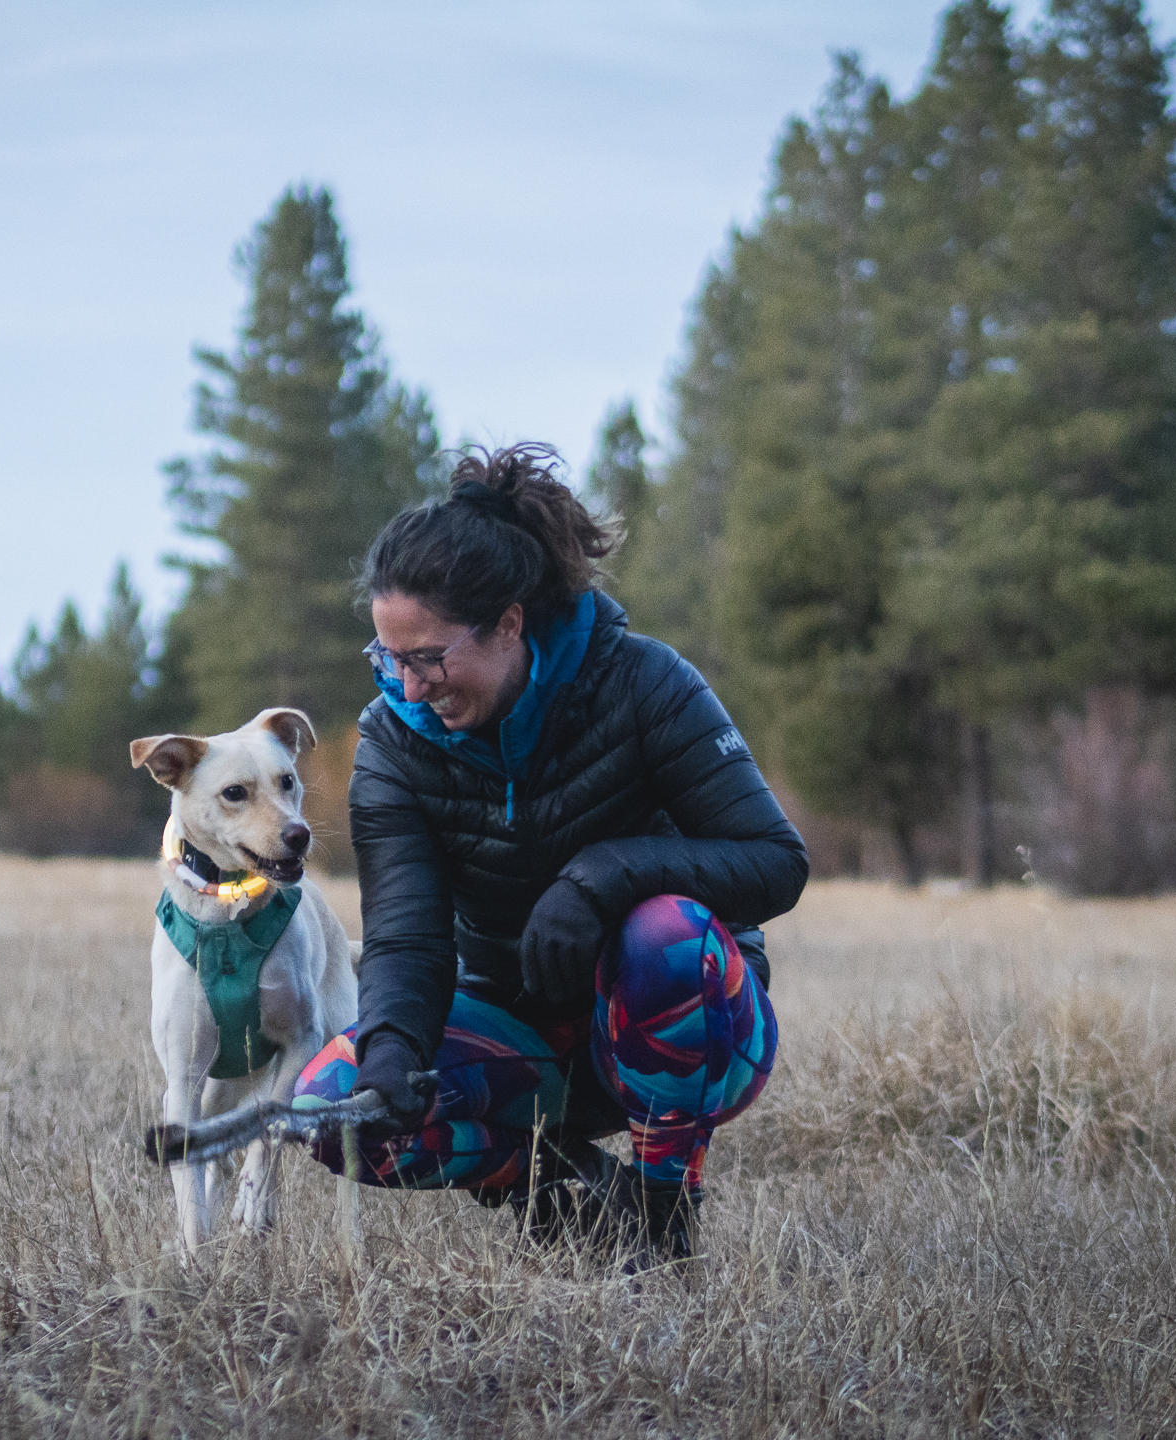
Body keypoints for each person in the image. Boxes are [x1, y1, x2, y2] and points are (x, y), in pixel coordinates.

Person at [292, 442, 809, 1266]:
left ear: (508, 623)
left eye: (428, 657)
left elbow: (776, 861)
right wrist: (391, 1056)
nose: (407, 684)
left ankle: (666, 1207)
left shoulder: (646, 683)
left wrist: (605, 878)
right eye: (388, 657)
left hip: (682, 1029)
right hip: (518, 1034)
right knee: (332, 1115)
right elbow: (408, 936)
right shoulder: (394, 744)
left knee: (664, 933)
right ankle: (573, 1186)